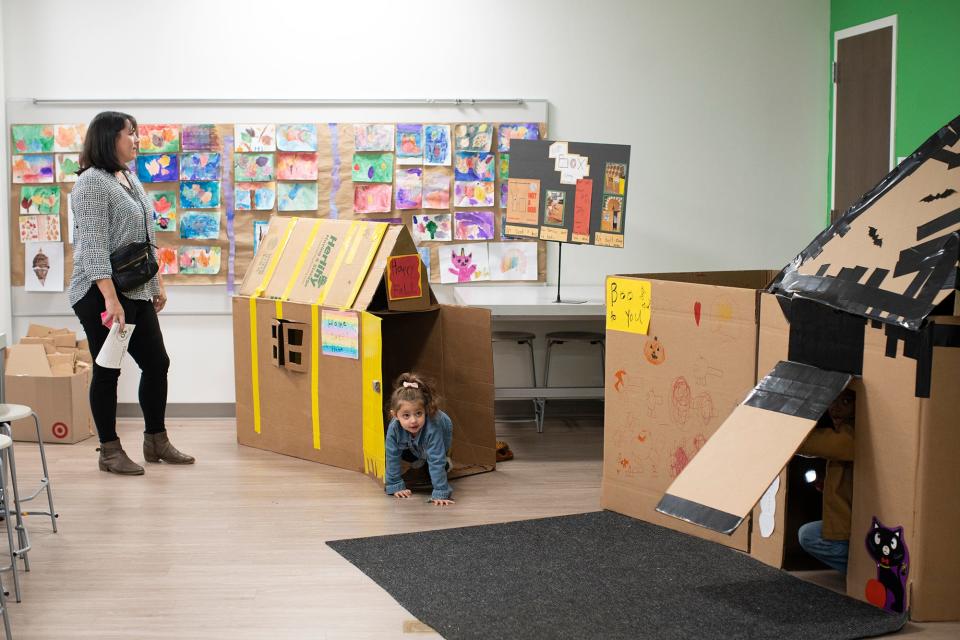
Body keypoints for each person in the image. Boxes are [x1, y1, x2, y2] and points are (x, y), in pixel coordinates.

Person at [69, 111, 194, 475]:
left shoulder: (127, 177)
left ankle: (156, 441)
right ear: (109, 139)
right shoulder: (91, 183)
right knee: (107, 371)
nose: (137, 140)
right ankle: (109, 450)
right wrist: (110, 299)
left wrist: (158, 282)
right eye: (130, 134)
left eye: (136, 133)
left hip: (135, 289)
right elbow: (91, 247)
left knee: (157, 364)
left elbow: (147, 237)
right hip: (100, 293)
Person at [797, 389, 855, 574]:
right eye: (832, 401)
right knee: (809, 532)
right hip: (851, 525)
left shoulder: (854, 432)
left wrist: (787, 433)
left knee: (809, 536)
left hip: (860, 529)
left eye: (846, 402)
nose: (835, 408)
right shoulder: (841, 430)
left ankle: (862, 572)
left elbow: (840, 444)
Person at [383, 373, 454, 506]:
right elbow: (392, 456)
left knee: (435, 459)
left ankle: (442, 459)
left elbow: (436, 459)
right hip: (412, 442)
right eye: (406, 415)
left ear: (425, 411)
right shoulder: (394, 428)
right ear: (395, 415)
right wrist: (394, 484)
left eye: (418, 413)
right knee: (400, 449)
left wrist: (440, 492)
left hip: (441, 434)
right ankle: (420, 458)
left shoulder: (433, 426)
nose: (413, 420)